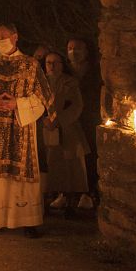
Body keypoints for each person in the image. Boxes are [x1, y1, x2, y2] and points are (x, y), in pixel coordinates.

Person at [0, 23, 53, 238]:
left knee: (20, 172)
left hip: (20, 127)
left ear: (15, 37)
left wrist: (18, 104)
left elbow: (44, 96)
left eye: (4, 36)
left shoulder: (31, 65)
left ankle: (27, 220)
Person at [41, 51, 90, 218]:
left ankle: (70, 203)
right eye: (48, 62)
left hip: (67, 130)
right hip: (45, 129)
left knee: (70, 167)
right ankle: (44, 202)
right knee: (47, 166)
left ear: (62, 65)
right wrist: (43, 120)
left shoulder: (70, 82)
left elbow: (77, 105)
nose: (52, 66)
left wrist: (59, 121)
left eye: (55, 62)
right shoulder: (39, 83)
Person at [67, 38, 100, 207]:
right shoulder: (65, 72)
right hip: (69, 119)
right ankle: (69, 193)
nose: (73, 52)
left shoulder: (95, 71)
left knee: (89, 155)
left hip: (88, 119)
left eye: (78, 48)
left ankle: (89, 192)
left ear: (86, 51)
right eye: (70, 48)